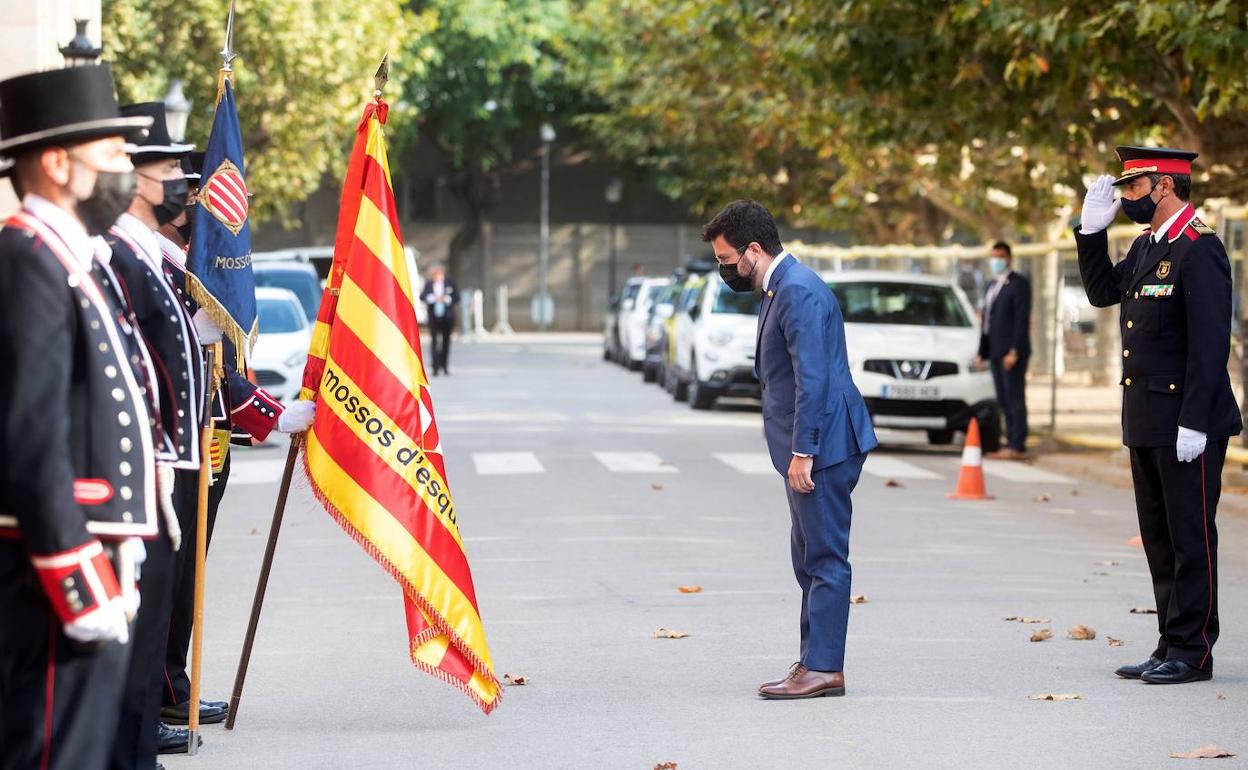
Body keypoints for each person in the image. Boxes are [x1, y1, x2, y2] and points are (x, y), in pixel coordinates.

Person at [0, 64, 156, 770]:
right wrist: (74, 573)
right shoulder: (28, 257)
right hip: (52, 573)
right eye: (113, 155)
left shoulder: (64, 258)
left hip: (92, 559)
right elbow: (31, 437)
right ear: (58, 162)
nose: (125, 171)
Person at [158, 155, 316, 733]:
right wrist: (269, 415)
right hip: (177, 436)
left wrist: (267, 415)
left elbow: (220, 365)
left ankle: (172, 685)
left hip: (207, 436)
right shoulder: (163, 264)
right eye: (192, 195)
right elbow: (190, 364)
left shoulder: (187, 264)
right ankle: (165, 689)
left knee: (185, 575)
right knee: (171, 573)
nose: (202, 208)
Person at [1076, 146, 1242, 685]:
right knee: (1160, 537)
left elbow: (1211, 342)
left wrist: (1195, 418)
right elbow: (1104, 292)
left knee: (1191, 535)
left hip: (1186, 422)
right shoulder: (1150, 246)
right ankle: (1171, 639)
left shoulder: (1200, 248)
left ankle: (1194, 650)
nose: (1126, 198)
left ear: (1164, 186)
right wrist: (1091, 232)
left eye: (1132, 188)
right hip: (1146, 415)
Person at [703, 200, 877, 699]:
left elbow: (813, 380)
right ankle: (815, 659)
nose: (725, 270)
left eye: (727, 260)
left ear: (754, 250)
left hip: (823, 446)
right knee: (808, 557)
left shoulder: (797, 291)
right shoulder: (783, 286)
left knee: (823, 558)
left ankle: (824, 667)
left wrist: (804, 452)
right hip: (814, 444)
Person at [103, 101, 202, 766]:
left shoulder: (150, 255)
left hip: (163, 467)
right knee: (137, 634)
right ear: (138, 178)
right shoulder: (119, 253)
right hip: (137, 474)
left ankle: (140, 747)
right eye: (170, 168)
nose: (182, 184)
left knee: (156, 621)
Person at [977, 241, 1031, 459]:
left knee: (1014, 396)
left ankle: (1017, 443)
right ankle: (1008, 441)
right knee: (1003, 398)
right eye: (993, 256)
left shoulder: (1018, 284)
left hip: (1011, 351)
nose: (996, 261)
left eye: (1000, 257)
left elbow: (1021, 320)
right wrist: (983, 350)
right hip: (995, 350)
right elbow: (987, 321)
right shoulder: (991, 286)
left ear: (1008, 258)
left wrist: (1015, 350)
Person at [420, 262, 457, 375]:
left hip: (447, 316)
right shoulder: (429, 284)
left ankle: (444, 366)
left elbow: (457, 297)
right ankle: (435, 367)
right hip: (434, 317)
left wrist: (446, 299)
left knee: (446, 341)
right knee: (434, 342)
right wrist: (433, 298)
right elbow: (422, 296)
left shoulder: (450, 283)